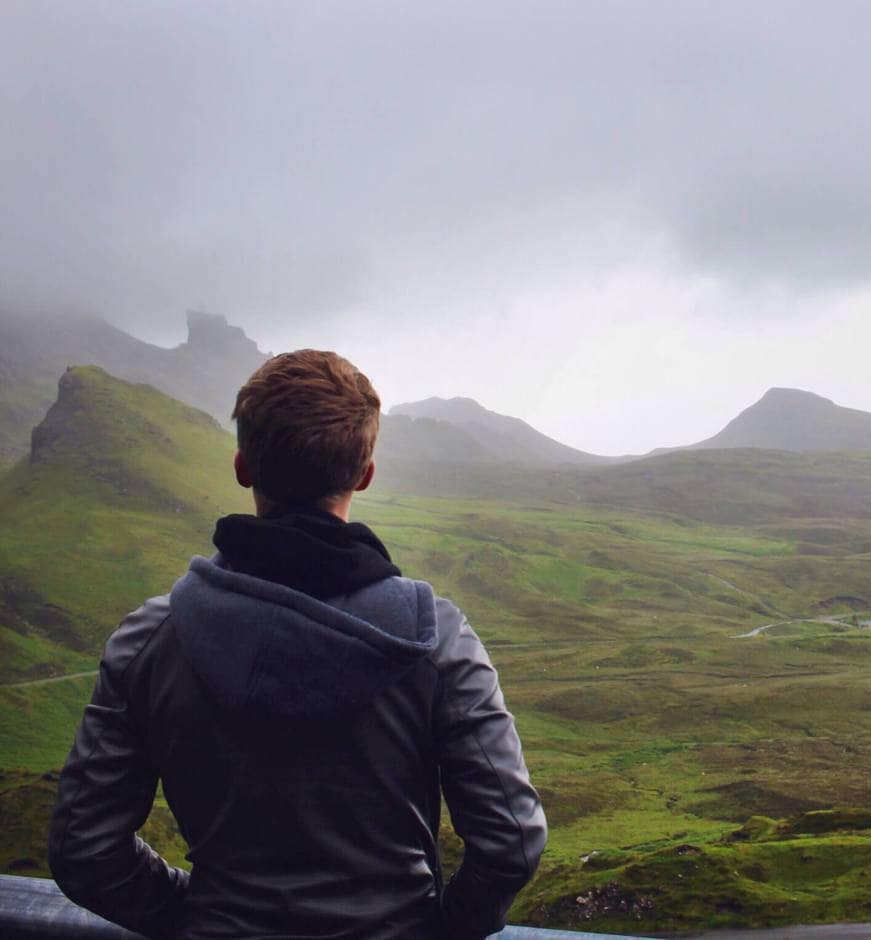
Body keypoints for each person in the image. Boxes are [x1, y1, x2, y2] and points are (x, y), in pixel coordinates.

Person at [48, 349, 546, 939]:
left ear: (242, 466)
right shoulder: (434, 640)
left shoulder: (149, 641)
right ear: (364, 473)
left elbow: (84, 847)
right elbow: (511, 843)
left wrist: (195, 915)